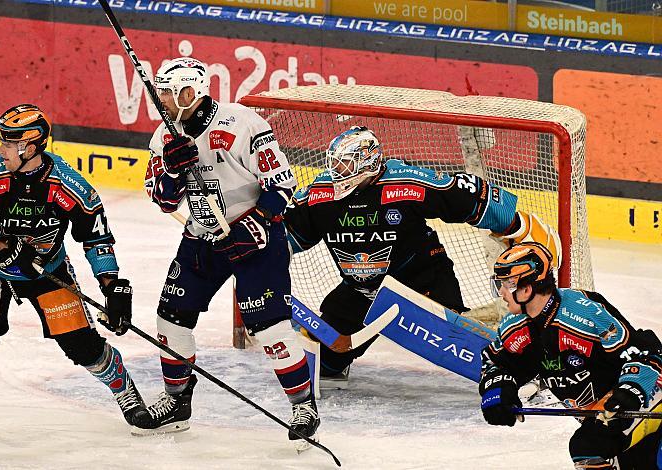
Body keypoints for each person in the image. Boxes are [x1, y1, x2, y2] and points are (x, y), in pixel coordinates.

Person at [283, 125, 561, 387]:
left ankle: (528, 364)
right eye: (335, 163)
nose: (337, 171)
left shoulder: (405, 183)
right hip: (362, 291)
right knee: (324, 364)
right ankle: (336, 361)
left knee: (464, 342)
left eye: (346, 164)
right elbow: (288, 236)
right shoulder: (320, 195)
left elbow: (462, 194)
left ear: (369, 162)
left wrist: (517, 225)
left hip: (420, 281)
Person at [136, 57, 319, 447]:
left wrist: (253, 226)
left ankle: (304, 406)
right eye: (161, 92)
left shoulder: (243, 124)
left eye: (169, 92)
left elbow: (282, 187)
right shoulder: (163, 137)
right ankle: (176, 402)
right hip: (202, 240)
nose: (162, 100)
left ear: (192, 92)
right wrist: (171, 170)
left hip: (258, 240)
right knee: (171, 319)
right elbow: (163, 200)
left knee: (271, 329)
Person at [0, 104, 145, 425]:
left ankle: (125, 391)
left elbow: (97, 239)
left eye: (6, 143)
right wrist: (0, 245)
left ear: (29, 147)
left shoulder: (70, 186)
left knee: (82, 346)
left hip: (46, 270)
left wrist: (111, 284)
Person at [480, 241, 662, 469]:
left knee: (587, 447)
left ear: (526, 289)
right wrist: (498, 391)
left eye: (506, 285)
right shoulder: (514, 326)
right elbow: (495, 363)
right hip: (602, 415)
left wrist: (628, 392)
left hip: (647, 395)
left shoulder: (584, 314)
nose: (501, 294)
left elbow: (644, 354)